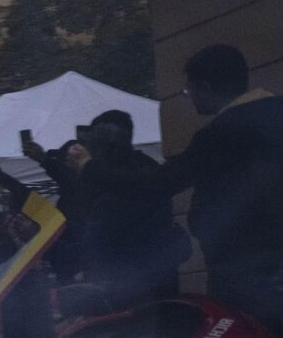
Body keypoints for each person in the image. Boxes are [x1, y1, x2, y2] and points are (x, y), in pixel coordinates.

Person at [148, 44, 283, 338]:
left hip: (243, 260)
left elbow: (163, 183)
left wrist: (90, 170)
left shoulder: (221, 134)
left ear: (207, 87)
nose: (190, 98)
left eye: (189, 89)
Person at [22, 111, 191, 316]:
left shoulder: (112, 190)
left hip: (129, 298)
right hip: (157, 285)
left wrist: (40, 241)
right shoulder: (145, 169)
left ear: (101, 147)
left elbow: (91, 249)